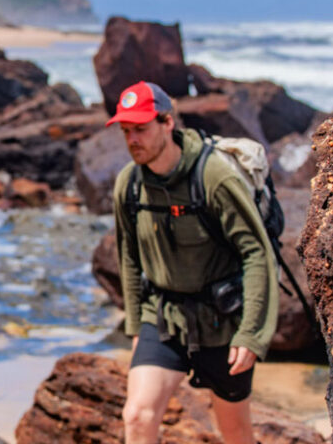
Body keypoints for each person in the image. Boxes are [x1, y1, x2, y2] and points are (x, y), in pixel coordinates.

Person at [107, 81, 278, 444]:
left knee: (233, 432)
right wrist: (137, 326)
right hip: (163, 316)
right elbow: (129, 259)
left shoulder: (214, 177)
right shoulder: (129, 184)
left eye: (140, 128)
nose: (132, 139)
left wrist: (251, 333)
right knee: (137, 416)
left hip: (221, 320)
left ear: (168, 122)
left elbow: (257, 253)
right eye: (126, 131)